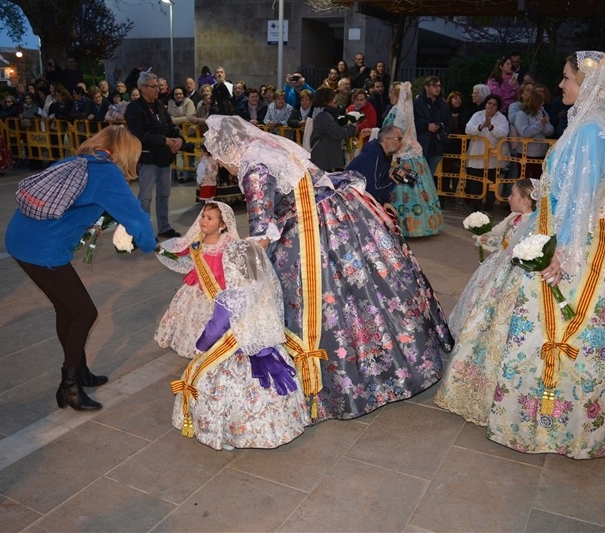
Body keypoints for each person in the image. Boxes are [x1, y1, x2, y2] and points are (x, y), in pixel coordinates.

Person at [435, 50, 605, 459]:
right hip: (571, 227)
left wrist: (563, 254)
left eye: (566, 77)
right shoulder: (589, 124)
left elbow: (581, 201)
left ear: (585, 84)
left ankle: (549, 417)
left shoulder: (590, 130)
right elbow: (570, 187)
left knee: (551, 322)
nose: (560, 84)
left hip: (573, 238)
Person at [203, 115, 452, 422]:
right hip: (341, 213)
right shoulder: (270, 148)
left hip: (312, 229)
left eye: (219, 158)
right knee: (365, 289)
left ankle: (335, 384)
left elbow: (260, 231)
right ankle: (401, 362)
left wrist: (246, 278)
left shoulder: (253, 167)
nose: (222, 165)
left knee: (314, 299)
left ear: (228, 149)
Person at [5, 126, 158, 412]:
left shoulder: (75, 161)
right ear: (127, 153)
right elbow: (137, 219)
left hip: (20, 239)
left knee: (67, 309)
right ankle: (69, 387)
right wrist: (151, 246)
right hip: (42, 250)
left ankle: (81, 371)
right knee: (85, 313)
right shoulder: (107, 173)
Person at [171, 239, 310, 451]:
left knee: (227, 395)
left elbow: (215, 328)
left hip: (234, 353)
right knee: (268, 395)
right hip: (267, 350)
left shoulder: (230, 298)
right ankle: (277, 428)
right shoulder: (265, 288)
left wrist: (201, 346)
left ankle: (230, 435)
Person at [155, 202, 239, 357]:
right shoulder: (196, 240)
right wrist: (158, 249)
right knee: (191, 317)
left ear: (222, 225)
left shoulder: (228, 242)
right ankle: (192, 345)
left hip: (218, 289)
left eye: (209, 218)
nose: (203, 220)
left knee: (215, 320)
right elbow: (179, 250)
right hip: (196, 288)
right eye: (203, 216)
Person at [125, 71, 184, 238]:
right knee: (145, 196)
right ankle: (144, 231)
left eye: (158, 86)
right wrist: (164, 140)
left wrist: (179, 139)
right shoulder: (134, 108)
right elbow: (138, 134)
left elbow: (170, 127)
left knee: (164, 194)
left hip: (164, 157)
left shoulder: (159, 105)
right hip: (148, 157)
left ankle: (164, 227)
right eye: (154, 86)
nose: (158, 89)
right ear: (143, 88)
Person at [383, 81, 444, 236]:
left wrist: (374, 131)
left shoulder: (395, 111)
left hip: (400, 156)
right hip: (414, 155)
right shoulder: (407, 110)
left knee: (400, 187)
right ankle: (422, 224)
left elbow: (388, 133)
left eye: (390, 93)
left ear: (394, 94)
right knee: (418, 188)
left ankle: (402, 225)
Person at [346, 125, 402, 216]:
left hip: (359, 200)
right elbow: (370, 189)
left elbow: (378, 184)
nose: (401, 143)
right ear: (386, 140)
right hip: (349, 203)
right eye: (398, 139)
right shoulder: (372, 157)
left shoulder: (383, 156)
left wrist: (385, 202)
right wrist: (392, 182)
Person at [308, 87, 356, 172]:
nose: (335, 100)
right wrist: (351, 127)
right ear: (327, 100)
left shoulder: (322, 113)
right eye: (333, 97)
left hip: (325, 155)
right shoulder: (323, 115)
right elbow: (338, 133)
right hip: (323, 157)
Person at [414, 76, 451, 177]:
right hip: (421, 145)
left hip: (436, 146)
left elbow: (448, 123)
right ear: (426, 87)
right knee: (420, 176)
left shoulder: (443, 104)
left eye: (439, 86)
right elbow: (412, 122)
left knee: (429, 176)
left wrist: (443, 134)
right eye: (434, 86)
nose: (437, 88)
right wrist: (426, 126)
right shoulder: (417, 103)